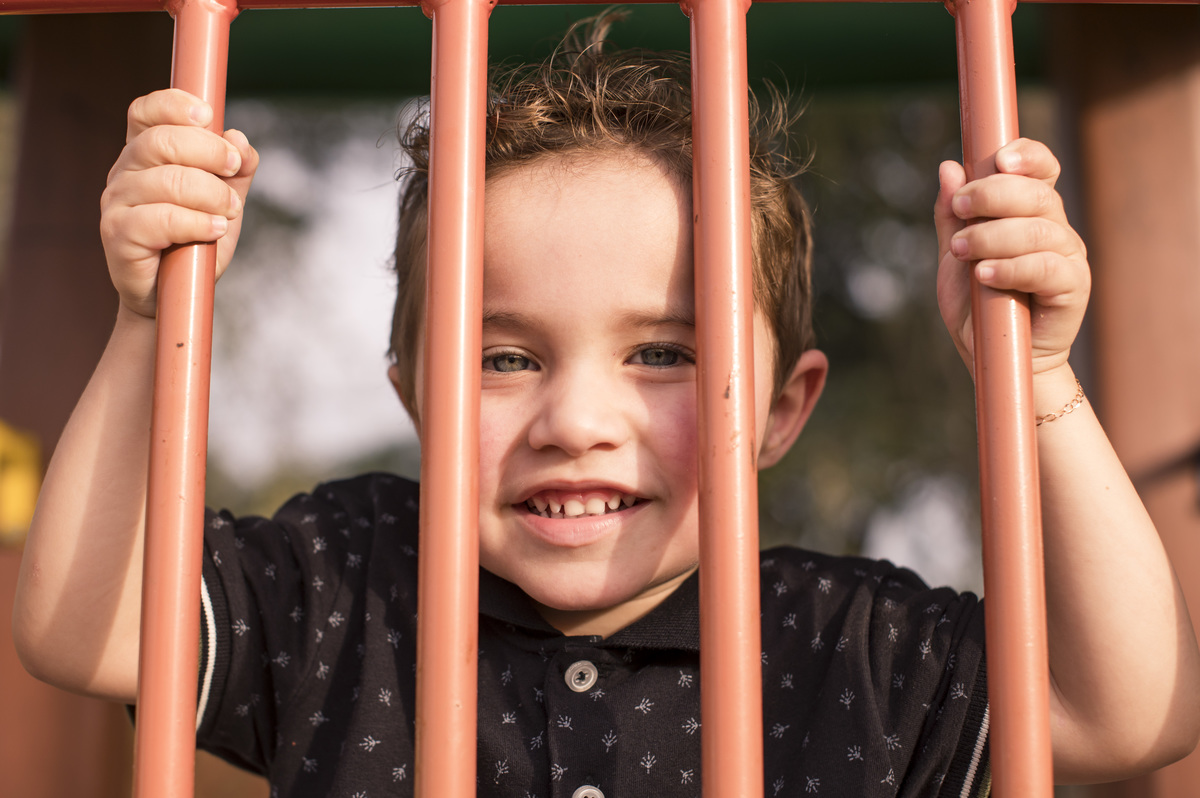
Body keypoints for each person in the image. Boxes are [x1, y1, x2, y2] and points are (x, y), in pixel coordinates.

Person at [13, 13, 1200, 798]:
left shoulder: (850, 649)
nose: (577, 420)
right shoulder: (349, 582)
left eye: (663, 354)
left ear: (785, 408)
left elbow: (1129, 709)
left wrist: (1039, 382)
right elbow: (87, 622)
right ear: (412, 395)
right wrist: (141, 323)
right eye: (507, 361)